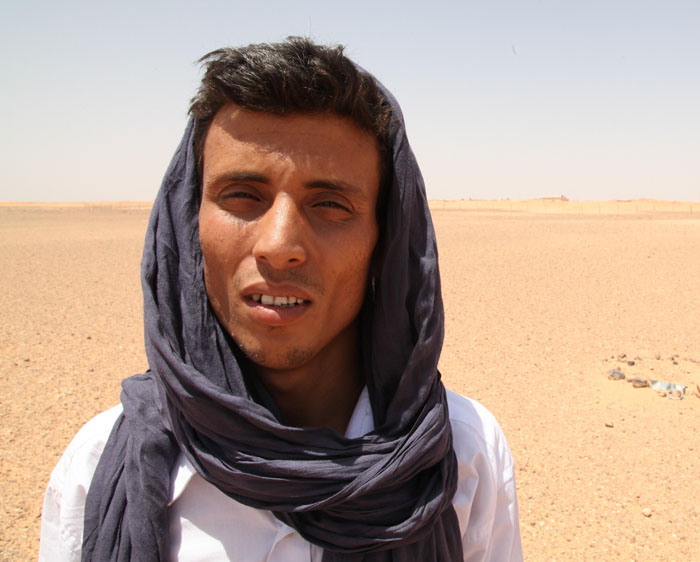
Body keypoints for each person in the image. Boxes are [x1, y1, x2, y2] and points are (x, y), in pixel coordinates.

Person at [40, 37, 522, 562]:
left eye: (331, 204)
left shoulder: (463, 455)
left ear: (385, 239)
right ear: (187, 224)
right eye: (242, 196)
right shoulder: (103, 465)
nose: (280, 246)